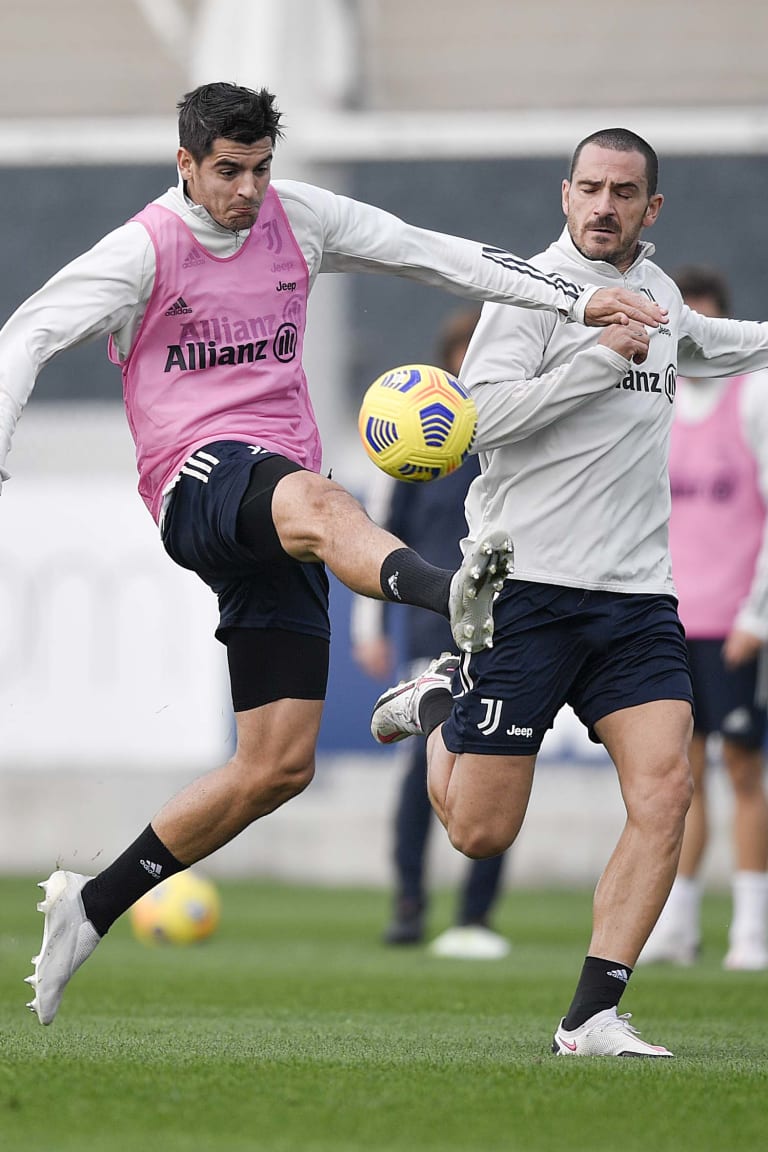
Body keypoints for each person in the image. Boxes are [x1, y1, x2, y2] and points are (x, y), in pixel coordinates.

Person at [0, 86, 663, 1027]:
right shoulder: (141, 249)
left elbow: (439, 256)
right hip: (196, 482)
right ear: (185, 164)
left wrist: (580, 294)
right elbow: (26, 333)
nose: (248, 189)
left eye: (261, 167)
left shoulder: (297, 216)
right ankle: (452, 601)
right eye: (228, 170)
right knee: (320, 499)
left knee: (276, 765)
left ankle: (92, 904)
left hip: (275, 504)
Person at [370, 128, 768, 1057]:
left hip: (635, 599)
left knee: (666, 790)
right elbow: (478, 418)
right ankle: (436, 706)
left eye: (622, 192)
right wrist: (593, 358)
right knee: (479, 831)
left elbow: (706, 346)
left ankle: (592, 1015)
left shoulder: (661, 295)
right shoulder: (529, 293)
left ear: (650, 208)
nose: (603, 206)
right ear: (564, 195)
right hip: (527, 589)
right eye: (589, 188)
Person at [352, 308, 510, 960]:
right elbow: (381, 538)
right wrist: (369, 623)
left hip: (505, 623)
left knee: (499, 764)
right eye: (460, 354)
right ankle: (409, 902)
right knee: (422, 766)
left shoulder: (509, 434)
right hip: (429, 624)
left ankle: (474, 916)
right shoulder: (415, 444)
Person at [638, 266, 768, 971]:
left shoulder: (753, 401)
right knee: (673, 778)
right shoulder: (654, 403)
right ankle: (676, 927)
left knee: (745, 771)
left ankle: (751, 929)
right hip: (666, 622)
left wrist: (758, 613)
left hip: (735, 623)